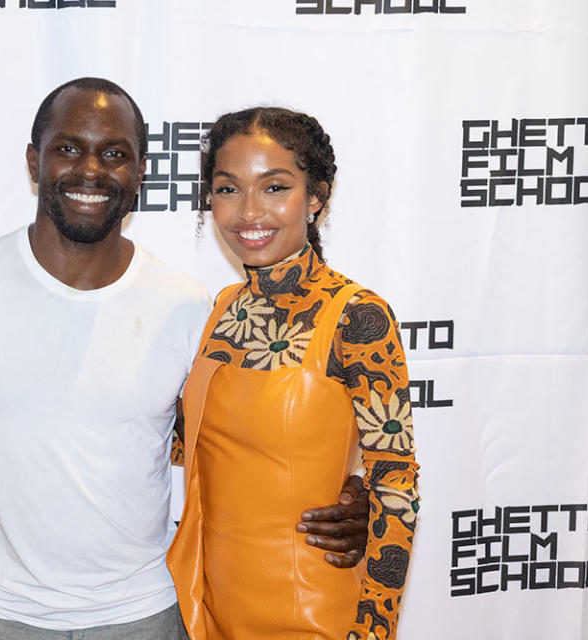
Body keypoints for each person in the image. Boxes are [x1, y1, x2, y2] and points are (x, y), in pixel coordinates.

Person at [0, 79, 371, 640]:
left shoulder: (188, 307)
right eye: (68, 148)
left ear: (140, 172)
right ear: (34, 162)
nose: (91, 169)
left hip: (143, 616)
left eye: (115, 154)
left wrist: (353, 495)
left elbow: (236, 444)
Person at [168, 107, 420, 640]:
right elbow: (187, 447)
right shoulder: (221, 309)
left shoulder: (357, 316)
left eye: (275, 187)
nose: (248, 212)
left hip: (313, 616)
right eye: (228, 189)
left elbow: (395, 484)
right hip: (207, 608)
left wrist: (372, 630)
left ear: (316, 198)